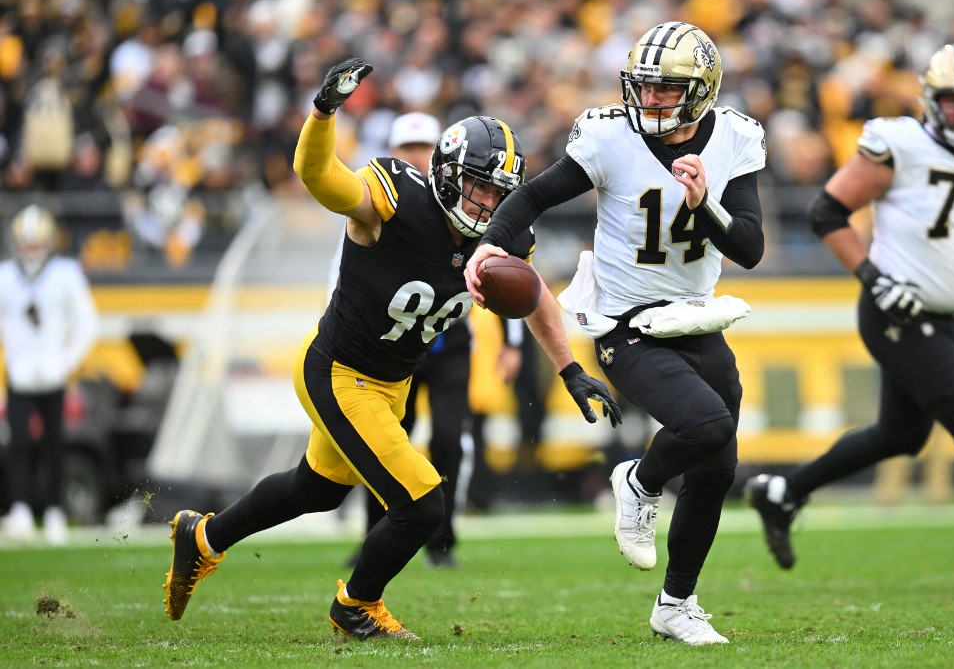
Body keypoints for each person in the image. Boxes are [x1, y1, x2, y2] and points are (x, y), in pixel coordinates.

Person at [163, 58, 621, 640]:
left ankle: (201, 538)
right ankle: (356, 605)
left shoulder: (503, 233)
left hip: (391, 382)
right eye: (480, 187)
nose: (486, 205)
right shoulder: (396, 197)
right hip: (338, 369)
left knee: (317, 489)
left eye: (498, 194)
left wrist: (571, 369)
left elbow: (536, 301)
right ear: (450, 174)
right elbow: (317, 176)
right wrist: (324, 112)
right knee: (424, 501)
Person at [466, 22, 767, 645]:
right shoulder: (609, 135)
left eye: (666, 91)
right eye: (645, 87)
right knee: (706, 426)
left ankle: (676, 604)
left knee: (718, 464)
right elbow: (530, 198)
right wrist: (488, 247)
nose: (650, 101)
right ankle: (639, 480)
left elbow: (751, 247)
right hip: (626, 325)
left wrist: (705, 204)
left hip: (694, 318)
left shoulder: (735, 137)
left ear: (701, 90)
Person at [745, 43, 954, 587]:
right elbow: (827, 212)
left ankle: (783, 493)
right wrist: (874, 277)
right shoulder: (899, 143)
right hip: (895, 310)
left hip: (942, 317)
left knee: (900, 435)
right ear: (930, 100)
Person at [329, 111, 524, 568]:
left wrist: (513, 342)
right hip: (392, 347)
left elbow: (508, 274)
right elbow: (345, 282)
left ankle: (442, 540)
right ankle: (375, 536)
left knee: (450, 439)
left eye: (423, 148)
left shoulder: (473, 212)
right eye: (408, 150)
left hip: (448, 342)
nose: (415, 157)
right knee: (389, 439)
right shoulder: (387, 201)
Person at [0, 204, 99, 545]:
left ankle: (55, 510)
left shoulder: (66, 273)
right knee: (18, 445)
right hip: (20, 375)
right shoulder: (5, 276)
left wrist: (67, 361)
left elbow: (88, 322)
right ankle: (21, 510)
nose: (30, 250)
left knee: (55, 445)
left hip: (54, 374)